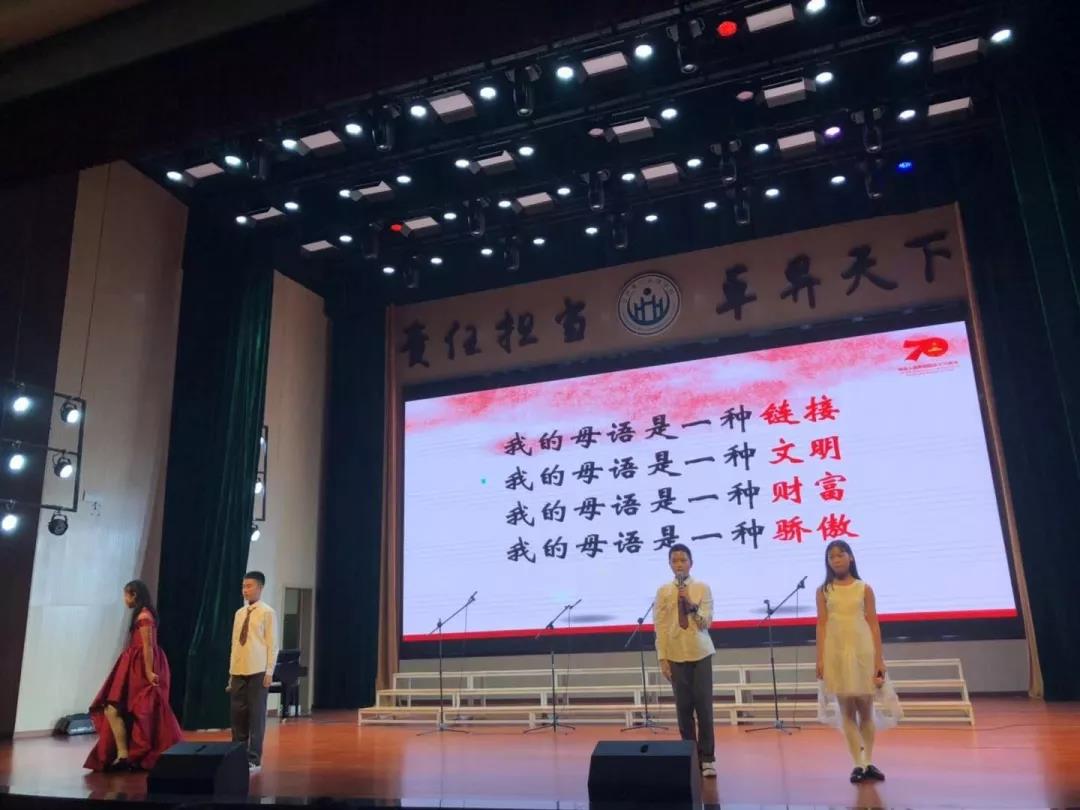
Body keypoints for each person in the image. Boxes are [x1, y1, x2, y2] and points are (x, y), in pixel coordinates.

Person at [84, 580, 183, 771]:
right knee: (114, 708)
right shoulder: (142, 615)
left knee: (136, 710)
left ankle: (128, 755)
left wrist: (148, 671)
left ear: (134, 595)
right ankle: (123, 755)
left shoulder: (144, 616)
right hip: (132, 664)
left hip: (139, 666)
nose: (125, 599)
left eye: (126, 595)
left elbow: (148, 646)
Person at [815, 540, 887, 784]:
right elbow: (821, 625)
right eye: (831, 556)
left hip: (862, 651)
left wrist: (879, 659)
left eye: (840, 554)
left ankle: (868, 761)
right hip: (836, 652)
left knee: (866, 709)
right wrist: (820, 658)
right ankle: (857, 763)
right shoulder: (824, 591)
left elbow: (874, 624)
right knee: (846, 711)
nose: (836, 560)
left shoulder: (864, 588)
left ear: (851, 557)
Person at [655, 543, 716, 778]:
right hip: (675, 654)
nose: (679, 564)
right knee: (683, 710)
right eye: (674, 561)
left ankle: (708, 758)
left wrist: (691, 606)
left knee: (704, 709)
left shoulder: (702, 588)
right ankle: (690, 756)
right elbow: (660, 627)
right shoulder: (663, 591)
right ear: (669, 564)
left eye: (683, 560)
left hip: (700, 653)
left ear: (691, 563)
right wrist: (662, 658)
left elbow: (706, 623)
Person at [228, 570, 278, 771]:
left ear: (260, 588)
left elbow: (272, 644)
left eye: (249, 586)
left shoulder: (267, 612)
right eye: (243, 586)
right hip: (239, 670)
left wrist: (269, 672)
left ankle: (254, 758)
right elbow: (235, 643)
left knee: (256, 716)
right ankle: (236, 755)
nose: (245, 590)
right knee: (237, 715)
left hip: (258, 670)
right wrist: (231, 672)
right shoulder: (239, 613)